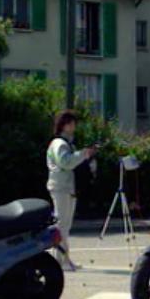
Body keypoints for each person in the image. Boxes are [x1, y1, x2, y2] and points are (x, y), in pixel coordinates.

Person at [46, 110, 96, 271]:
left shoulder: (66, 144)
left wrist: (83, 155)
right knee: (62, 225)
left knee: (64, 225)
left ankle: (63, 260)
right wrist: (83, 154)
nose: (74, 125)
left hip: (67, 187)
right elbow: (66, 163)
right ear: (64, 125)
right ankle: (61, 261)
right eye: (71, 122)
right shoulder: (59, 144)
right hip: (61, 188)